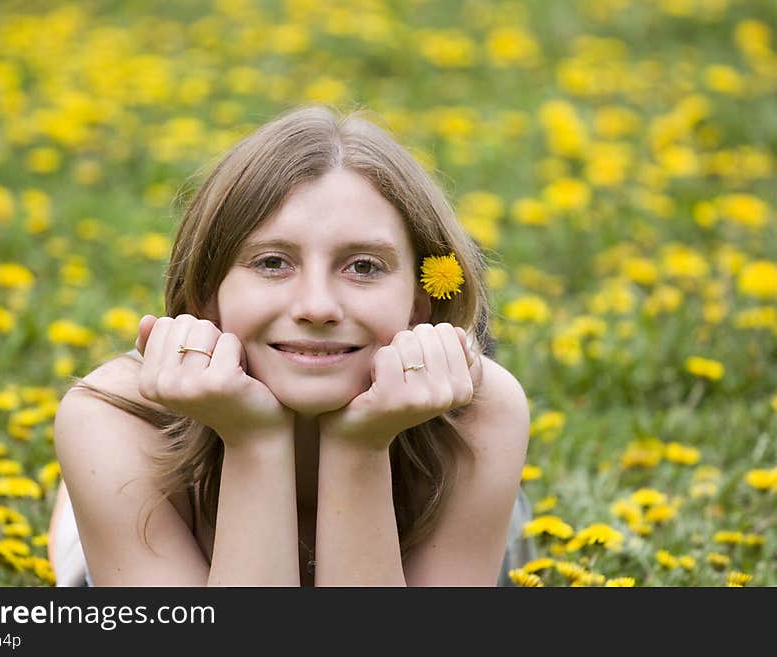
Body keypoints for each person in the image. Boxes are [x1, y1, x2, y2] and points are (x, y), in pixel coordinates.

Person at [48, 104, 534, 587]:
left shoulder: (479, 416)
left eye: (363, 266)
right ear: (206, 296)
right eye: (273, 263)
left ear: (419, 307)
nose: (316, 306)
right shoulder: (115, 419)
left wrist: (360, 446)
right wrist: (251, 438)